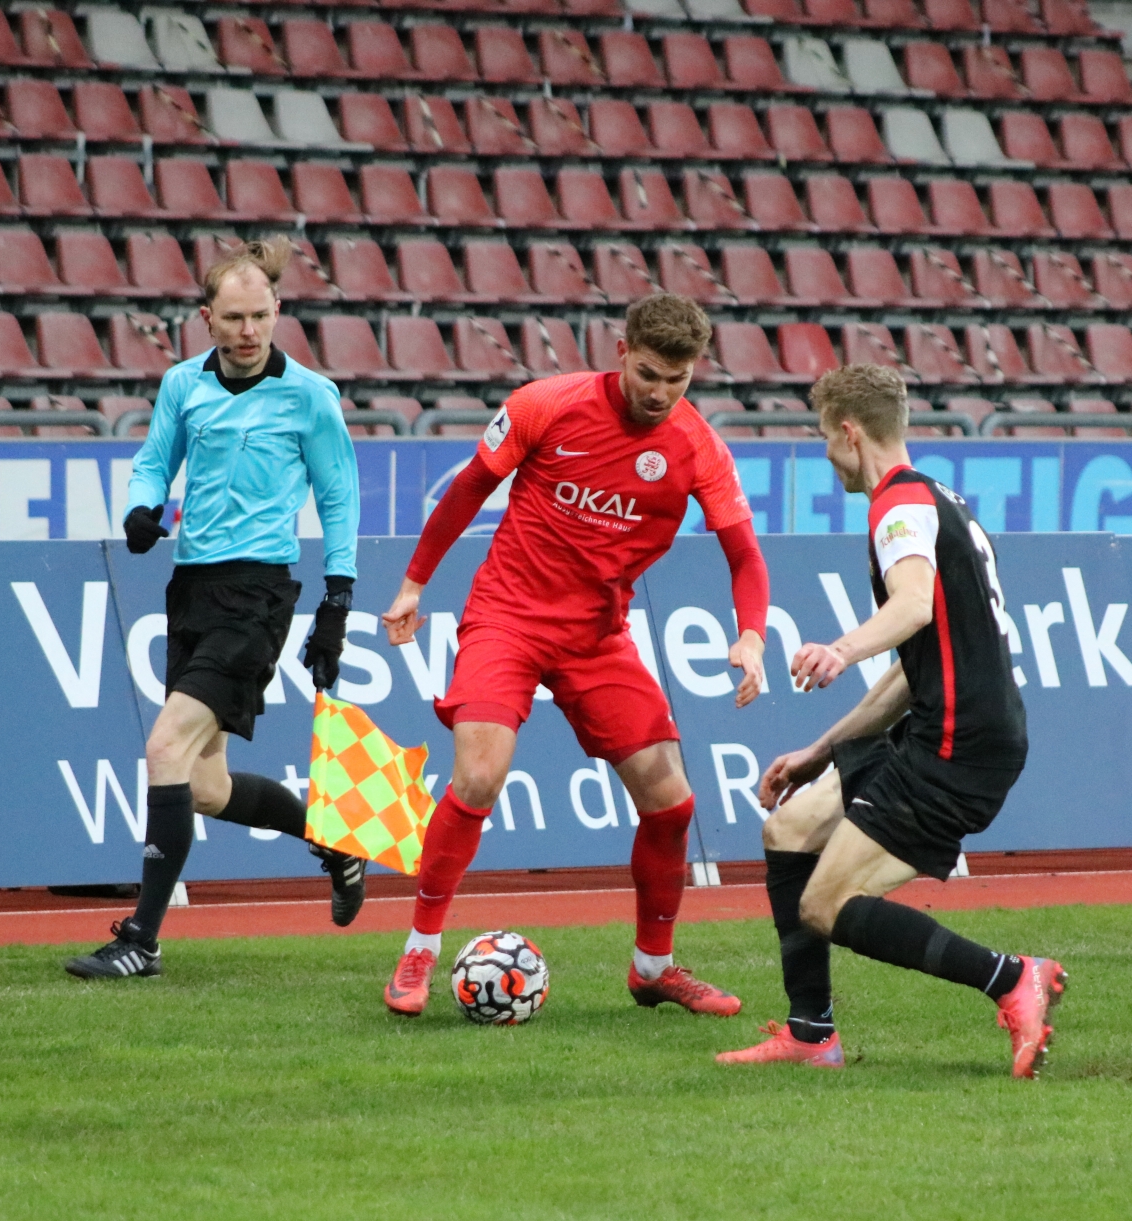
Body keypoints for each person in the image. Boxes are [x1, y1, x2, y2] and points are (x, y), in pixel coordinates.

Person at [378, 294, 770, 1018]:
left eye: (677, 379)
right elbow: (468, 489)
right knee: (479, 775)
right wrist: (413, 584)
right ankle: (420, 950)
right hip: (508, 618)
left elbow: (744, 554)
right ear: (622, 352)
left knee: (672, 802)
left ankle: (653, 969)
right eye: (648, 374)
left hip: (597, 637)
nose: (660, 392)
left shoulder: (699, 448)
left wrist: (751, 634)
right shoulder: (546, 404)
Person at [714, 364, 1064, 1078]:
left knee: (826, 903)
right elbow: (914, 666)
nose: (826, 455)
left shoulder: (897, 507)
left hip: (959, 745)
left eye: (824, 438)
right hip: (942, 724)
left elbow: (911, 606)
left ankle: (1012, 978)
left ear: (850, 433)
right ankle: (812, 1036)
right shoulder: (937, 499)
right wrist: (821, 749)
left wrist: (839, 650)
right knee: (788, 830)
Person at [65, 239, 363, 980]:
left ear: (278, 310)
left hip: (257, 596)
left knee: (164, 748)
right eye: (233, 318)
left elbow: (339, 497)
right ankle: (335, 841)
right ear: (206, 318)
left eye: (260, 315)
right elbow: (153, 462)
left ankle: (142, 939)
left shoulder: (310, 396)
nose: (248, 330)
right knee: (205, 787)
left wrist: (338, 600)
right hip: (192, 591)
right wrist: (141, 508)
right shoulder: (182, 385)